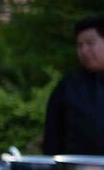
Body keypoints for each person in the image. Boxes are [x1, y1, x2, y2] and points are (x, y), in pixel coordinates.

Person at [43, 15, 104, 155]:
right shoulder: (69, 85)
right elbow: (53, 135)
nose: (84, 51)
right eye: (80, 45)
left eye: (90, 43)